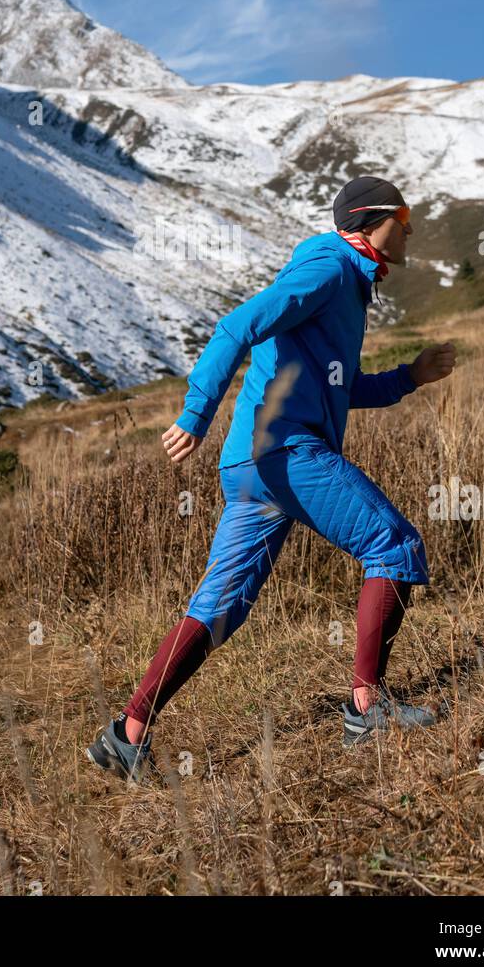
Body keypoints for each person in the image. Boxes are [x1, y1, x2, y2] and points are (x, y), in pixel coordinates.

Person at [86, 175, 456, 780]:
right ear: (369, 222)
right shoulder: (331, 270)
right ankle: (367, 709)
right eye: (404, 214)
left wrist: (409, 377)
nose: (411, 227)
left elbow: (343, 386)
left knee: (222, 605)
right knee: (393, 544)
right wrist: (195, 413)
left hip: (251, 466)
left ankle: (126, 733)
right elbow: (237, 326)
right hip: (285, 452)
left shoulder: (348, 282)